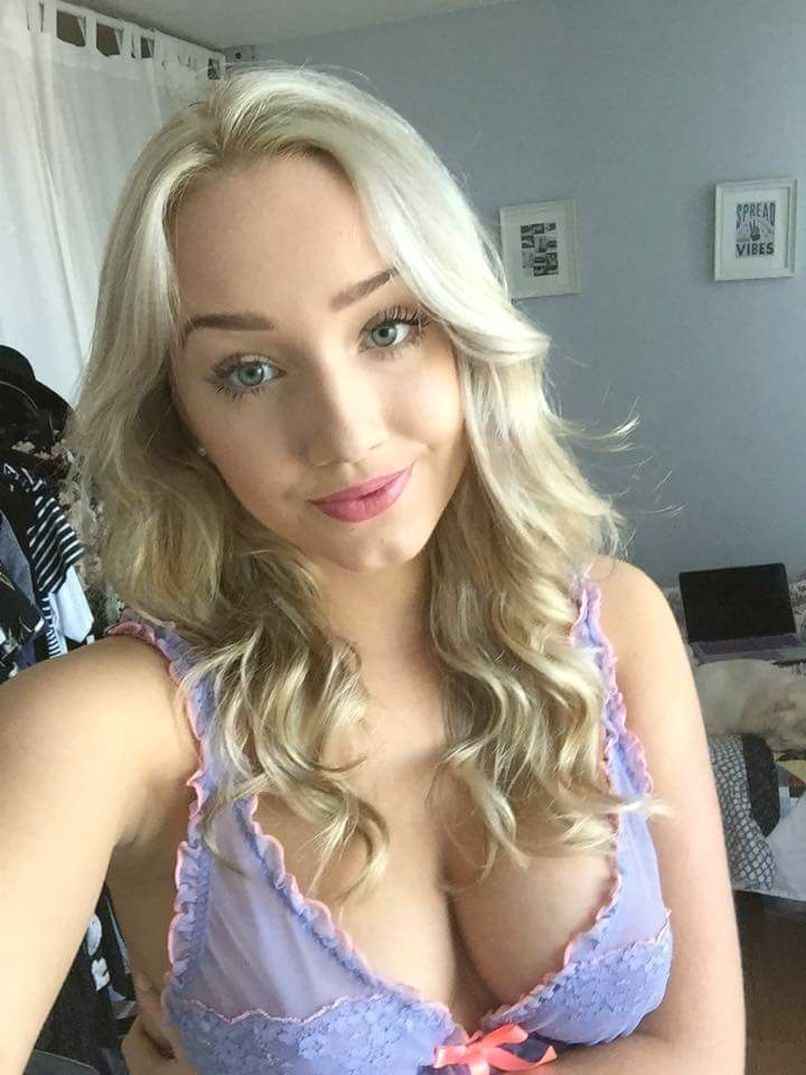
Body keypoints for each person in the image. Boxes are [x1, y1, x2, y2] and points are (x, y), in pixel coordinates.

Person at [1, 64, 744, 1075]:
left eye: (386, 328)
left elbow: (699, 1049)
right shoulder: (103, 727)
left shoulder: (615, 624)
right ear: (179, 417)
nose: (344, 432)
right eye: (249, 371)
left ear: (463, 331)